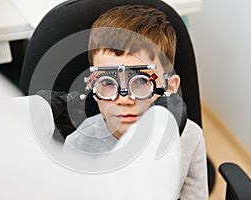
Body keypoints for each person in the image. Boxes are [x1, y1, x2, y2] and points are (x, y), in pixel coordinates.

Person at [40, 4, 208, 199]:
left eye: (142, 81)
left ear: (170, 87)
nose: (125, 99)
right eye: (107, 83)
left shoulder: (190, 136)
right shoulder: (79, 144)